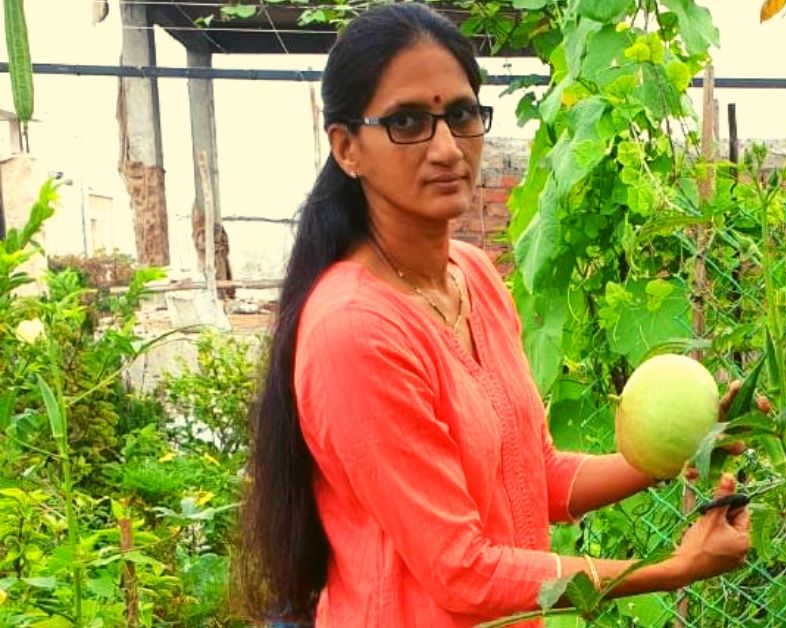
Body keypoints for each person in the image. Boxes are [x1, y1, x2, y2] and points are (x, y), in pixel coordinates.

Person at [237, 4, 751, 626]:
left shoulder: (473, 274)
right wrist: (675, 568)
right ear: (347, 148)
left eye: (460, 115)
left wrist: (686, 447)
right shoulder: (355, 329)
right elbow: (463, 573)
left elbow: (536, 476)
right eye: (407, 122)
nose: (447, 148)